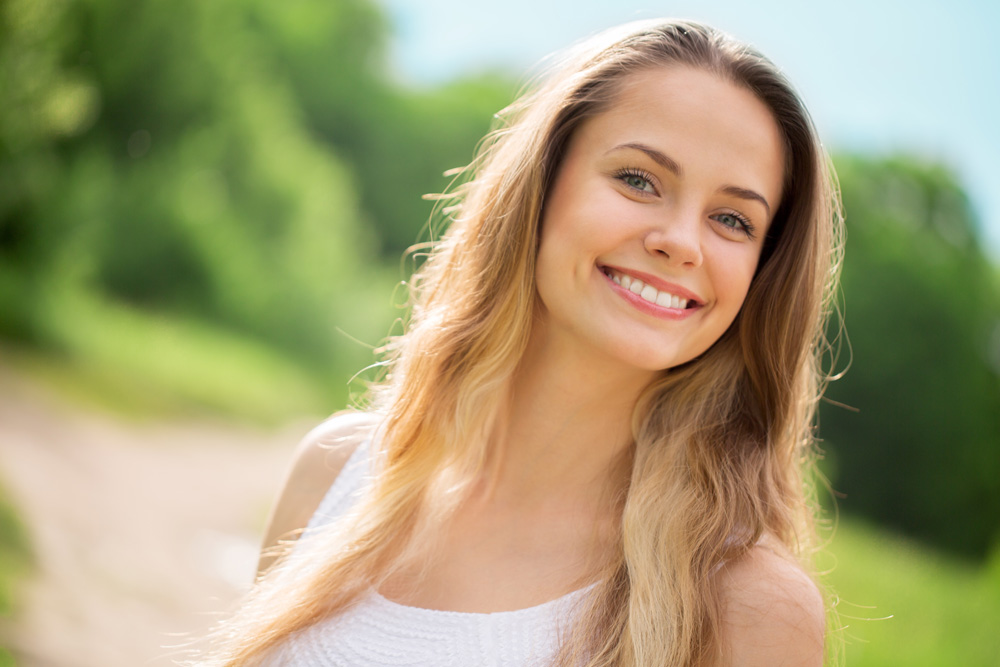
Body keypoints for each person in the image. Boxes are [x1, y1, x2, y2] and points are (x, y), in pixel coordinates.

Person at [197, 18, 843, 667]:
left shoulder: (749, 606)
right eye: (639, 179)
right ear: (540, 184)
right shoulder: (333, 472)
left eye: (732, 219)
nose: (680, 240)